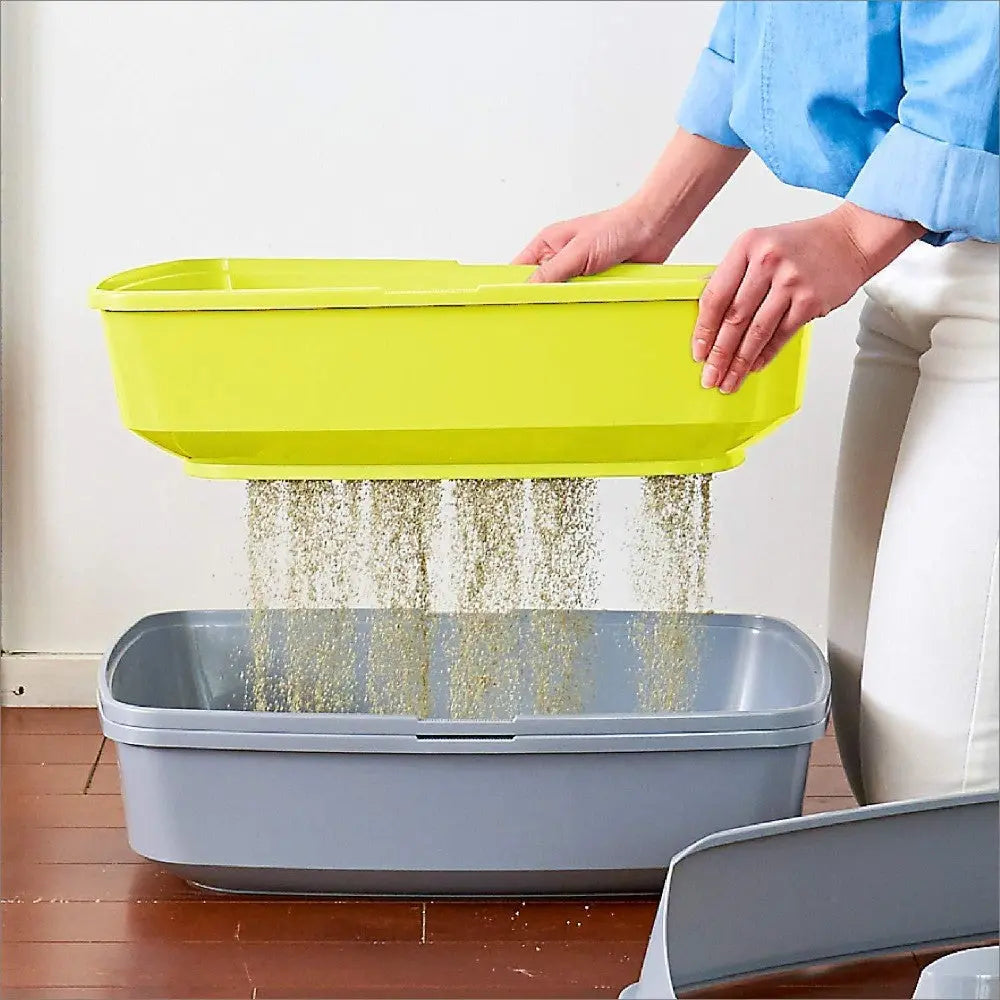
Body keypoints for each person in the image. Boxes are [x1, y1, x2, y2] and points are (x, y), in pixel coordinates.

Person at [516, 1, 999, 805]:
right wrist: (652, 214)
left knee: (933, 779)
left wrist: (848, 239)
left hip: (961, 240)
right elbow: (764, 23)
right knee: (873, 723)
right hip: (909, 246)